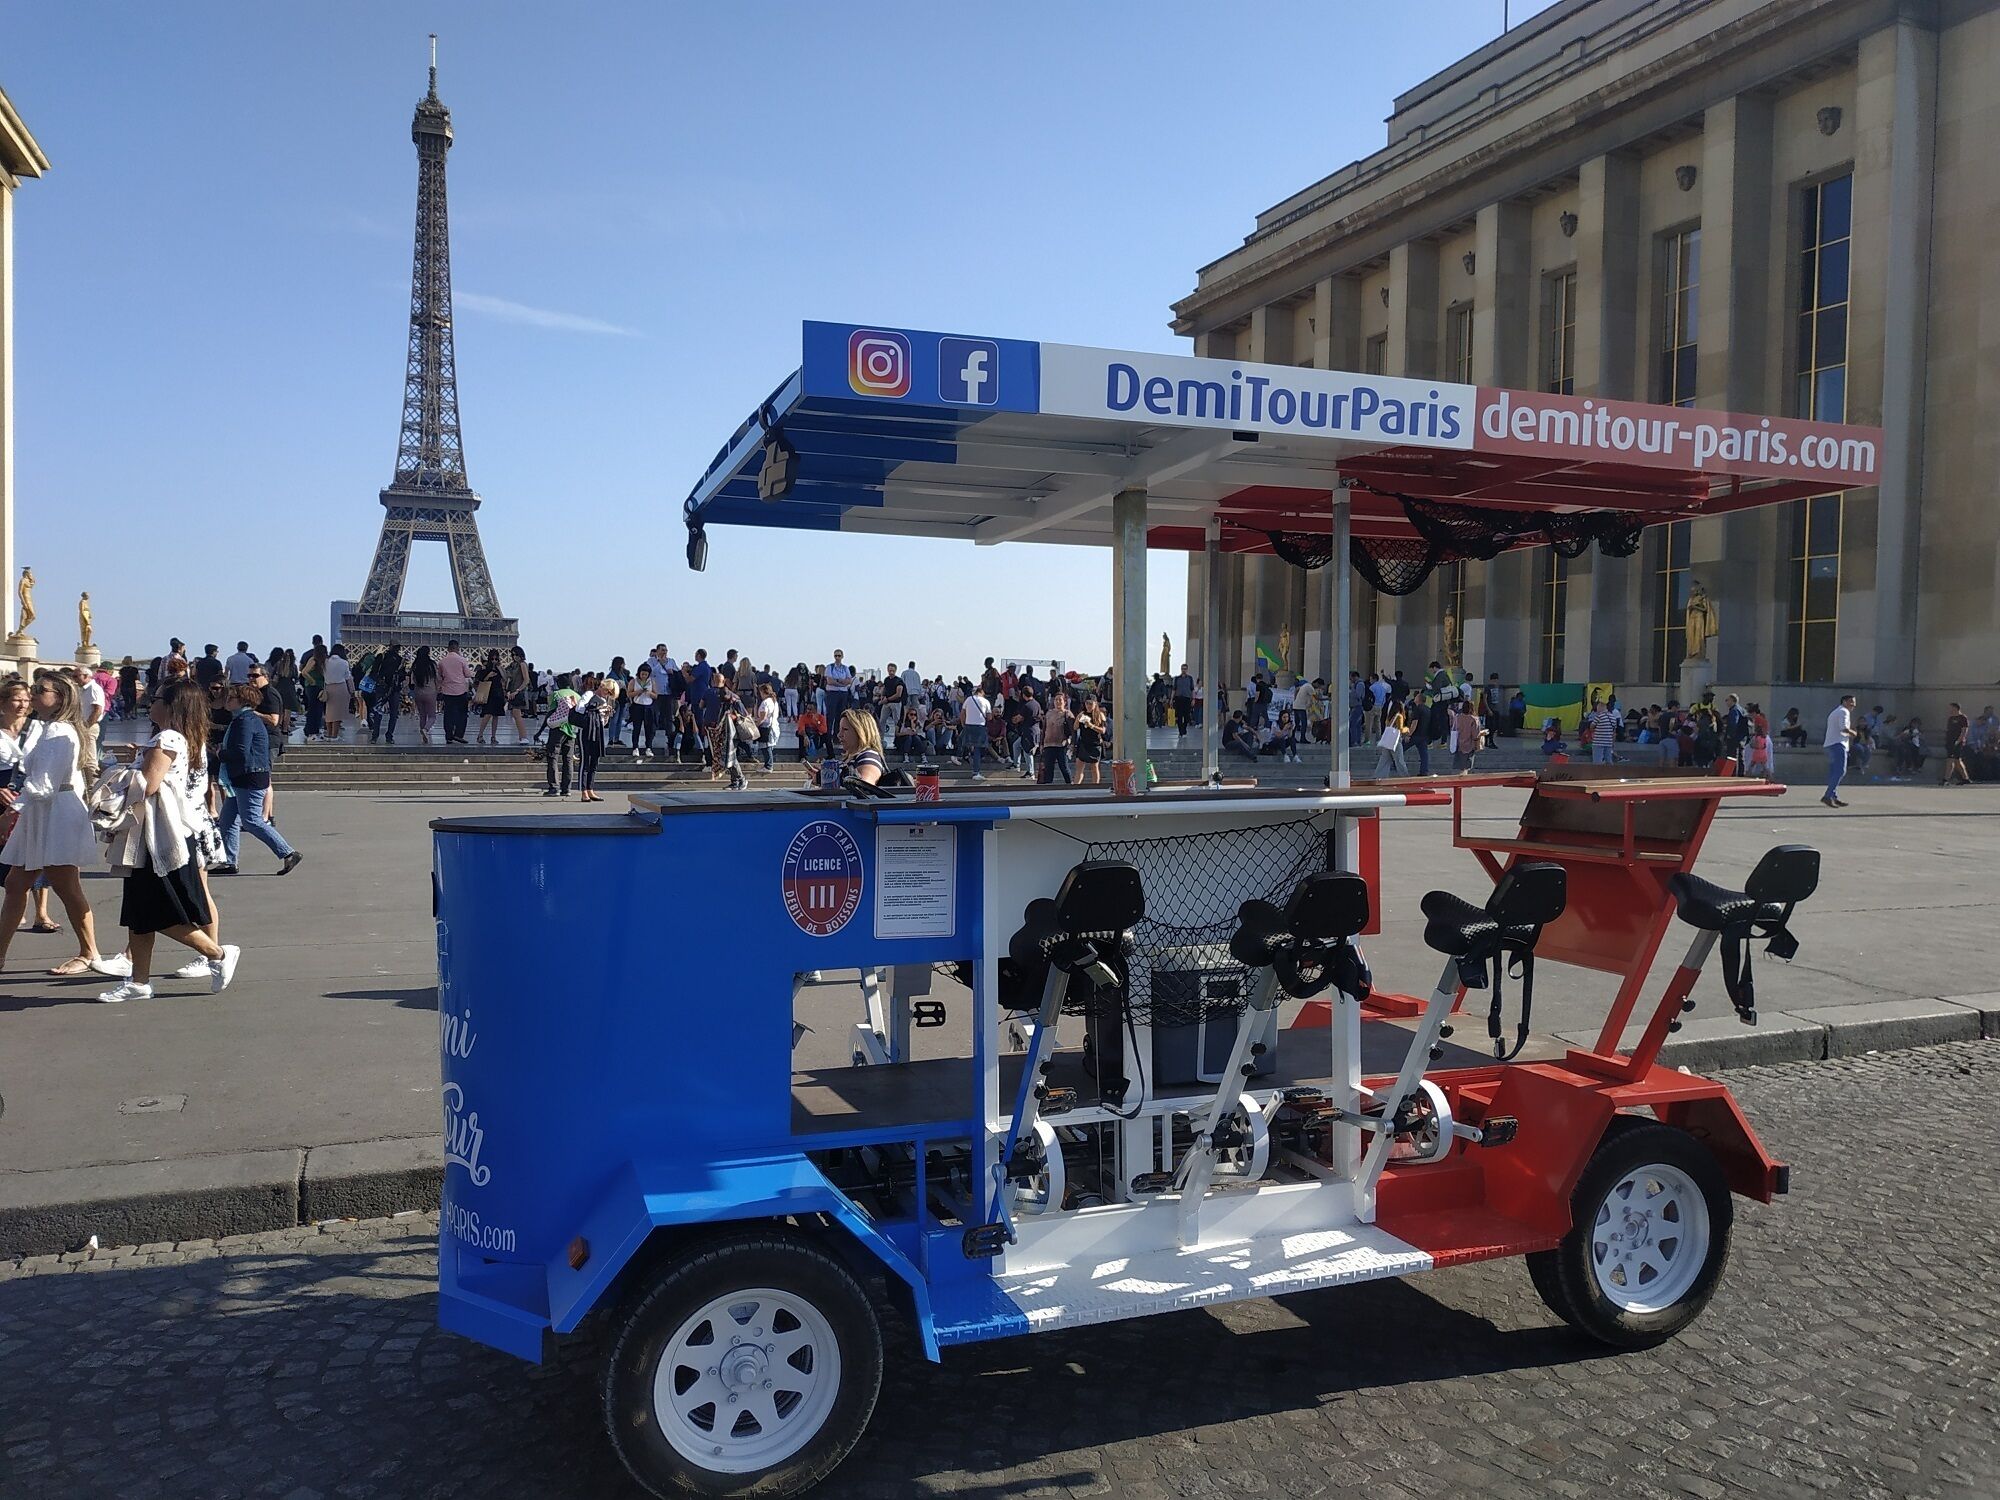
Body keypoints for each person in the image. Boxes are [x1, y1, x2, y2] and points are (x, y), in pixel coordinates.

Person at [94, 684, 239, 1003]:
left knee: (159, 911)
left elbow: (147, 786)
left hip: (158, 836)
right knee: (138, 912)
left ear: (172, 707)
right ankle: (139, 981)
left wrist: (115, 771)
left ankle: (217, 953)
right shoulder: (182, 739)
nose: (150, 703)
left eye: (156, 699)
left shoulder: (168, 739)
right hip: (162, 832)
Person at [0, 673, 103, 976]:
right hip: (45, 811)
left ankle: (89, 952)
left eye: (39, 690)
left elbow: (44, 785)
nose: (32, 693)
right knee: (16, 883)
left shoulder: (58, 730)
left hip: (54, 811)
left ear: (58, 698)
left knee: (65, 885)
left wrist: (12, 808)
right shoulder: (50, 729)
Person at [217, 681, 303, 875]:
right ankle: (229, 861)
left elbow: (240, 752)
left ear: (242, 701)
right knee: (228, 820)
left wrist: (220, 754)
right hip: (246, 774)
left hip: (250, 774)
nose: (227, 701)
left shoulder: (244, 721)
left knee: (251, 820)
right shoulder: (244, 719)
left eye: (231, 698)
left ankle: (287, 852)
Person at [0, 676, 57, 936]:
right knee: (8, 852)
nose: (23, 704)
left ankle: (41, 911)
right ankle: (15, 904)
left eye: (26, 699)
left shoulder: (38, 727)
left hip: (30, 792)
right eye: (16, 699)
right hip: (2, 791)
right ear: (3, 702)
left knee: (36, 849)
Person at [806, 708, 886, 789]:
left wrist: (827, 777)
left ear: (860, 732)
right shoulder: (848, 758)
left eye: (845, 729)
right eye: (839, 730)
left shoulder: (868, 756)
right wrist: (823, 775)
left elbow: (865, 787)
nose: (839, 735)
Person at [571, 676, 616, 802]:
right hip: (585, 730)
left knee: (594, 761)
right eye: (607, 691)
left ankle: (590, 788)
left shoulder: (604, 701)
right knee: (585, 761)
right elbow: (580, 709)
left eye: (610, 693)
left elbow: (603, 722)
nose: (608, 694)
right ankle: (583, 790)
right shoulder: (589, 694)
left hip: (598, 730)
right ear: (602, 687)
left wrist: (606, 714)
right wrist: (596, 709)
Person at [541, 675, 581, 797]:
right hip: (572, 730)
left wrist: (541, 730)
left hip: (558, 728)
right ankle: (566, 789)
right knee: (568, 760)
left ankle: (554, 787)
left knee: (552, 756)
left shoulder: (556, 694)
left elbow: (551, 712)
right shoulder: (577, 696)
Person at [1823, 692, 1858, 808]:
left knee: (1834, 772)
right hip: (1837, 744)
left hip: (1831, 744)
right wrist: (1853, 733)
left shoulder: (1836, 711)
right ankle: (1828, 795)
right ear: (1844, 702)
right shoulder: (1843, 711)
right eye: (1851, 702)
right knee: (1840, 771)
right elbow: (1843, 728)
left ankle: (1833, 795)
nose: (1853, 705)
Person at [437, 639, 471, 745]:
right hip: (460, 690)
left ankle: (449, 736)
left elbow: (439, 677)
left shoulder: (442, 661)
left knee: (448, 714)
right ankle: (458, 734)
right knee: (462, 714)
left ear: (448, 648)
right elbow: (468, 674)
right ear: (457, 648)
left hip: (447, 691)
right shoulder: (462, 660)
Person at [321, 645, 354, 742]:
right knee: (338, 714)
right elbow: (348, 677)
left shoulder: (325, 662)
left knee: (329, 712)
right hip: (341, 687)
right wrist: (352, 690)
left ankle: (329, 734)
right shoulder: (344, 662)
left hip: (328, 688)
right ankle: (334, 735)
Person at [959, 682, 991, 779]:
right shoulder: (986, 702)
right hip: (980, 727)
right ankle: (976, 772)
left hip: (969, 725)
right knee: (978, 749)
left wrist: (963, 723)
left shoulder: (968, 699)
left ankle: (962, 756)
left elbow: (962, 713)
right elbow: (989, 717)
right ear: (982, 692)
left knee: (965, 743)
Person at [626, 664, 659, 759]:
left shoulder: (651, 681)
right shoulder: (634, 681)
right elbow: (629, 694)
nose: (644, 676)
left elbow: (656, 695)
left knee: (649, 728)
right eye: (642, 674)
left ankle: (648, 747)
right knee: (636, 728)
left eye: (646, 674)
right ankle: (635, 747)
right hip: (637, 706)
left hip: (648, 706)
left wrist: (649, 693)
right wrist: (638, 692)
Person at [408, 646, 439, 744]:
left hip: (418, 693)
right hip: (430, 692)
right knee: (432, 716)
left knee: (422, 716)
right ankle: (426, 729)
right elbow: (437, 678)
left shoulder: (415, 665)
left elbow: (412, 682)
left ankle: (423, 737)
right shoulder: (432, 665)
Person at [504, 646, 531, 745]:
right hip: (514, 692)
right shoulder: (513, 665)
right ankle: (522, 737)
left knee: (517, 715)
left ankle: (523, 737)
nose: (514, 657)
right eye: (513, 655)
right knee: (516, 715)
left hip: (518, 693)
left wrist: (517, 691)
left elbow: (526, 680)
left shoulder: (522, 665)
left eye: (516, 654)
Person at [1942, 702, 1972, 787]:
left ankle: (1946, 779)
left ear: (1956, 708)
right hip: (1950, 742)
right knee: (1957, 761)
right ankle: (1966, 778)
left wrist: (1959, 741)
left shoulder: (1963, 718)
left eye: (1951, 708)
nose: (1950, 710)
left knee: (1950, 760)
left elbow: (1964, 731)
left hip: (1957, 742)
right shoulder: (1950, 718)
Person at [1452, 697, 1482, 773]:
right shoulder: (1474, 719)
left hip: (1458, 745)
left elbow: (1454, 729)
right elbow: (1475, 734)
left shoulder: (1457, 717)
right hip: (1469, 745)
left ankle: (1459, 782)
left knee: (1460, 767)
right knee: (1467, 767)